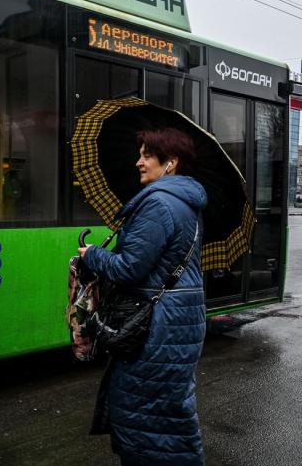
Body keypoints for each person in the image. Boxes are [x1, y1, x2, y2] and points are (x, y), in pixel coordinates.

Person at [78, 126, 207, 466]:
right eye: (140, 153)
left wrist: (92, 255)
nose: (138, 162)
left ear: (171, 163)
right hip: (176, 320)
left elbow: (129, 268)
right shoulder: (184, 203)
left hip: (157, 326)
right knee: (165, 412)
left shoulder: (160, 204)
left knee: (146, 415)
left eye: (147, 155)